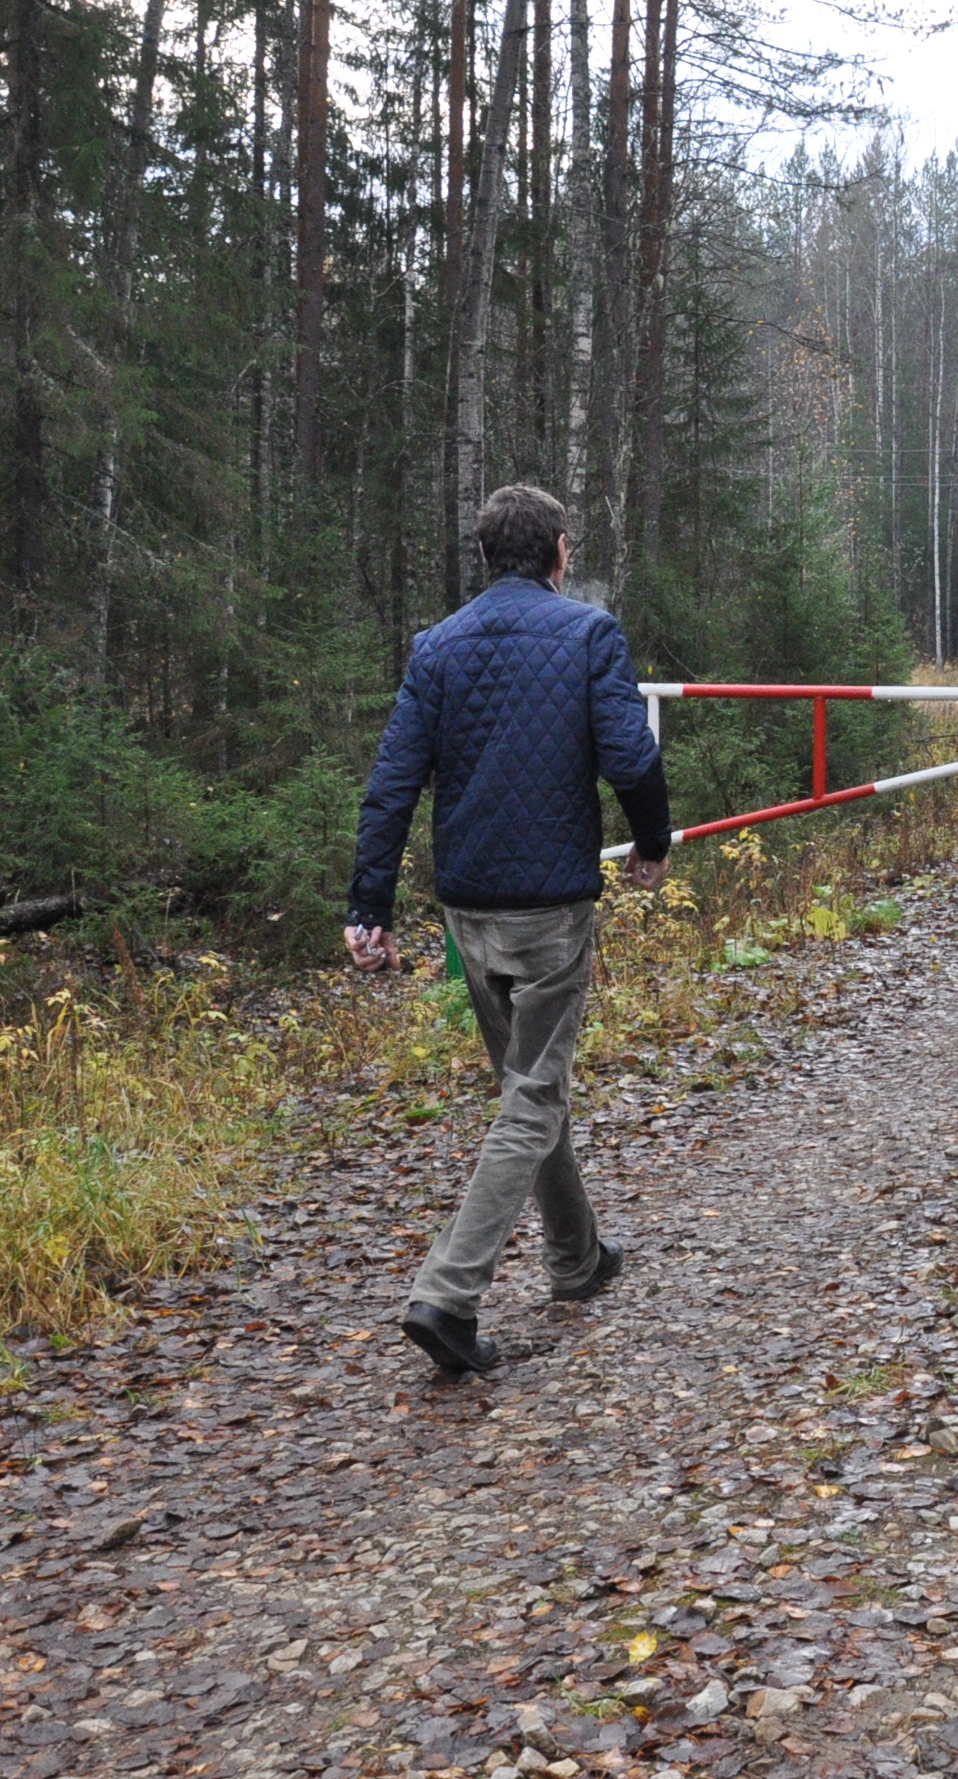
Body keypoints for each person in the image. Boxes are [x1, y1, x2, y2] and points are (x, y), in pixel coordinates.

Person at [347, 484, 673, 1376]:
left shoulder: (437, 648)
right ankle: (448, 1294)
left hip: (469, 909)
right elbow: (631, 754)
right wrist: (653, 843)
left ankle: (576, 1257)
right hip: (551, 912)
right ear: (560, 552)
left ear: (488, 556)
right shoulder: (589, 634)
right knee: (532, 1098)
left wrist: (367, 908)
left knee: (529, 1089)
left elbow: (392, 784)